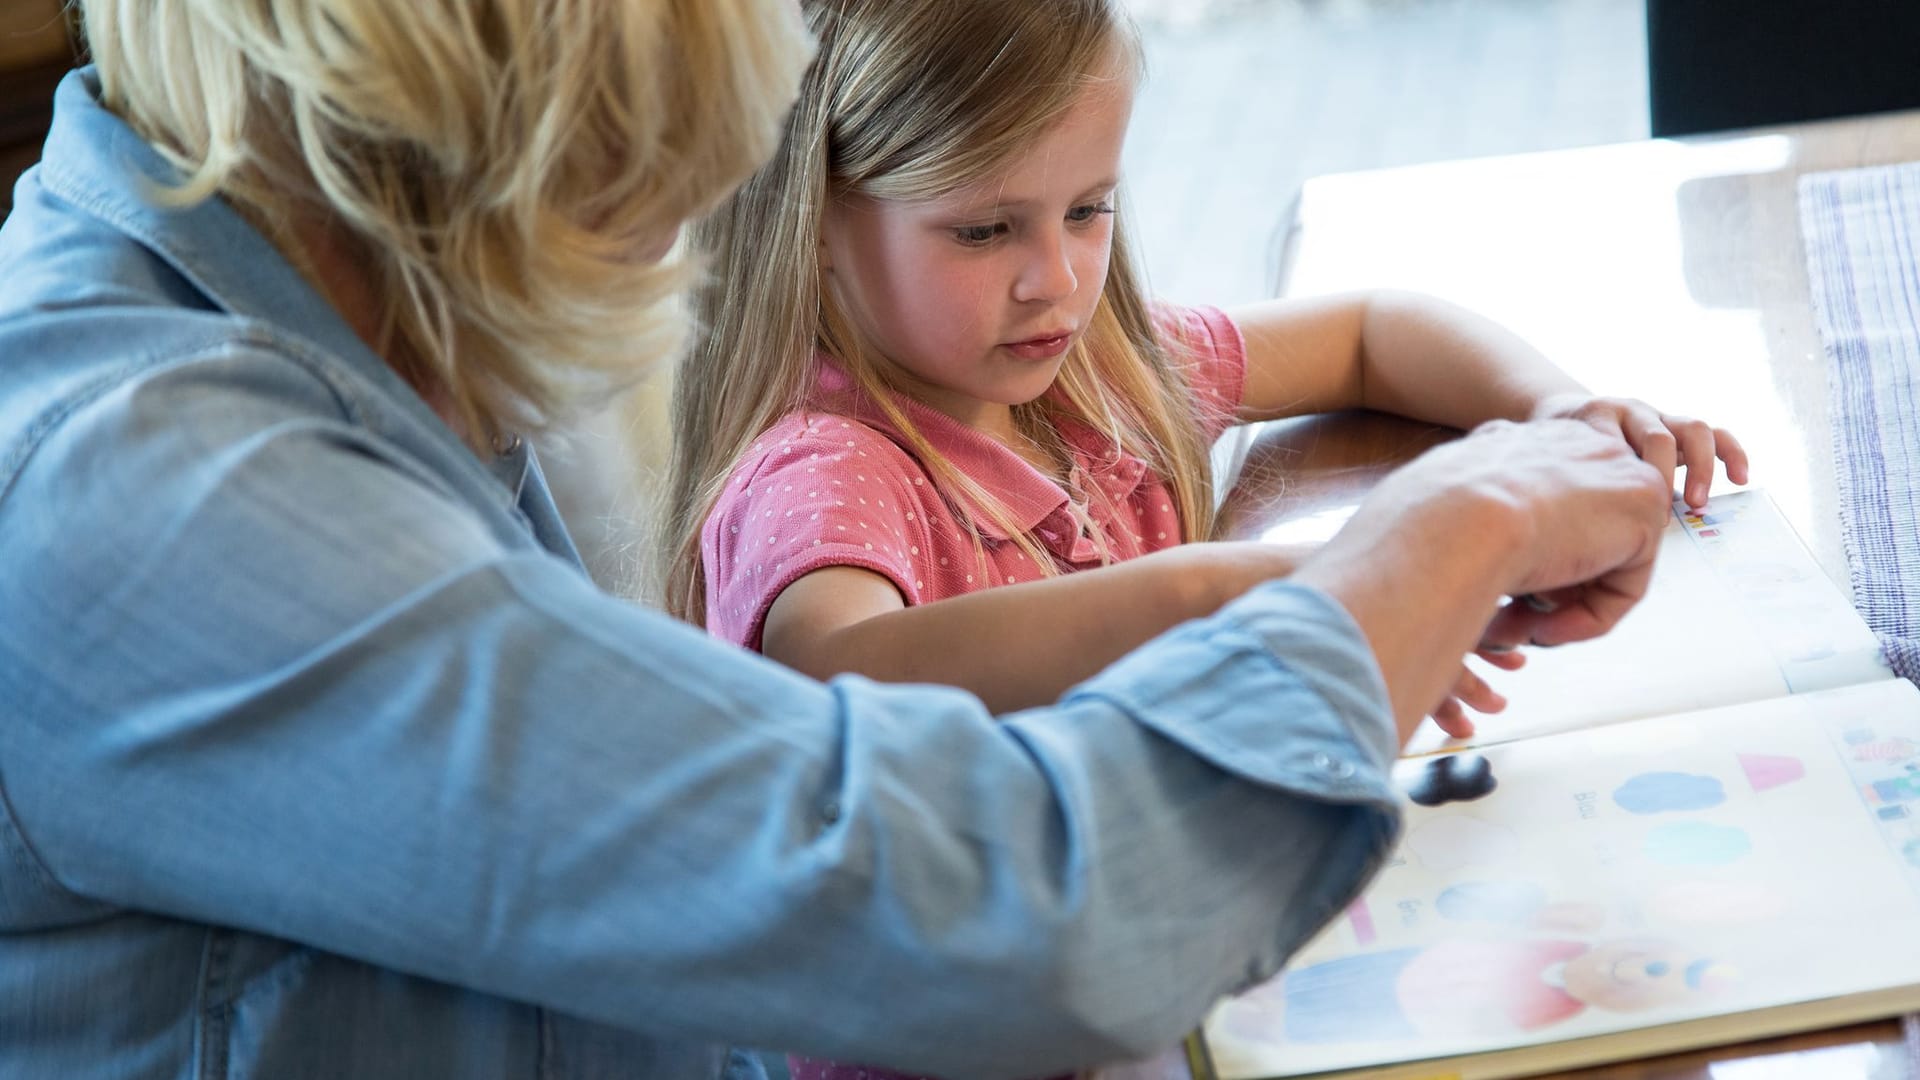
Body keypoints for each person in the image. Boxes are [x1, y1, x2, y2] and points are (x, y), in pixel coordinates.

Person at [0, 1, 1678, 1078]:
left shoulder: (327, 306)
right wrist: (1448, 528)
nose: (684, 244)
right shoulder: (152, 494)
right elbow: (1019, 918)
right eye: (653, 185)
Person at [665, 1, 1744, 754]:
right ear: (814, 227)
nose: (1056, 279)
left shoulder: (1100, 377)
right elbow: (838, 674)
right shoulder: (824, 467)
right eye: (985, 230)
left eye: (1089, 208)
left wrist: (1557, 410)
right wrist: (1252, 597)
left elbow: (1372, 328)